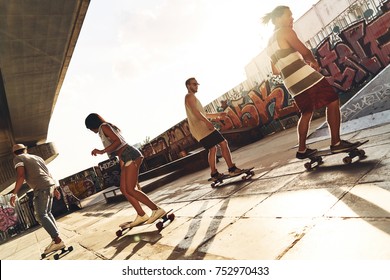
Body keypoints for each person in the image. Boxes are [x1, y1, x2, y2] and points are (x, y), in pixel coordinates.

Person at [262, 6, 358, 159]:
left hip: (291, 83)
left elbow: (275, 70)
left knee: (306, 112)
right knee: (332, 101)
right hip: (305, 76)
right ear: (279, 18)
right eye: (289, 16)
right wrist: (313, 63)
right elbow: (305, 51)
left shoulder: (269, 43)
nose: (291, 19)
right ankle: (336, 143)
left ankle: (302, 149)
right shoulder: (285, 31)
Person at [85, 113, 165, 227]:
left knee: (131, 189)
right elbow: (118, 149)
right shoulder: (103, 129)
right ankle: (141, 215)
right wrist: (122, 167)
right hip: (124, 157)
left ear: (92, 124)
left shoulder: (104, 127)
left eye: (89, 128)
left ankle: (156, 209)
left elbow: (118, 141)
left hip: (130, 155)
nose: (91, 130)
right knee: (124, 189)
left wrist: (102, 151)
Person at [10, 144, 65, 255]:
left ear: (14, 153)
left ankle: (58, 240)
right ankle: (56, 239)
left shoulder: (18, 158)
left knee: (40, 215)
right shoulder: (37, 157)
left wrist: (14, 193)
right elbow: (48, 173)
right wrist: (54, 188)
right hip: (49, 184)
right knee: (47, 213)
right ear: (26, 149)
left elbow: (21, 175)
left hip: (41, 187)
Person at [184, 77, 243, 181]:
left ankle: (214, 173)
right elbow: (196, 113)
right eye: (194, 84)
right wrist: (207, 123)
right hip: (202, 127)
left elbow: (203, 113)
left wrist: (218, 115)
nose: (196, 86)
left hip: (198, 130)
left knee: (213, 148)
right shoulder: (189, 96)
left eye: (197, 84)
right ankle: (232, 168)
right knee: (223, 143)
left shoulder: (191, 98)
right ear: (188, 86)